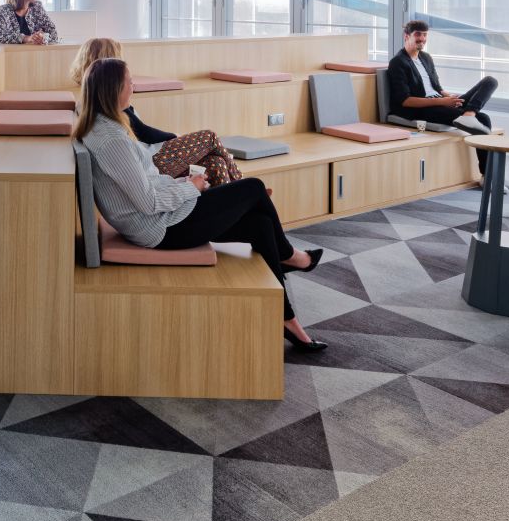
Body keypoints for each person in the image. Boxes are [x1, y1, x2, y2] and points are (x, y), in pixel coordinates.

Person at [75, 57, 328, 352]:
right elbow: (148, 202)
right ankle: (290, 256)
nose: (133, 86)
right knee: (254, 188)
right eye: (128, 82)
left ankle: (287, 320)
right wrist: (190, 188)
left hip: (165, 217)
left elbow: (147, 185)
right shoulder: (111, 140)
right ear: (113, 89)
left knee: (260, 224)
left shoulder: (106, 126)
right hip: (161, 228)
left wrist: (183, 184)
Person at [68, 37, 241, 186]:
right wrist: (176, 137)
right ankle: (242, 184)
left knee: (216, 163)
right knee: (209, 137)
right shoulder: (107, 103)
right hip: (152, 161)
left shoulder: (90, 101)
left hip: (150, 157)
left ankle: (235, 202)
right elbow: (144, 132)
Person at [385, 19, 497, 134]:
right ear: (406, 36)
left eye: (425, 34)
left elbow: (438, 88)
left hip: (440, 101)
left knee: (490, 81)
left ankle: (469, 114)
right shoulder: (398, 62)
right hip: (422, 109)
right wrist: (442, 101)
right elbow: (405, 101)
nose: (422, 38)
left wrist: (450, 97)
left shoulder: (426, 58)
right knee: (483, 118)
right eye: (418, 34)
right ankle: (468, 116)